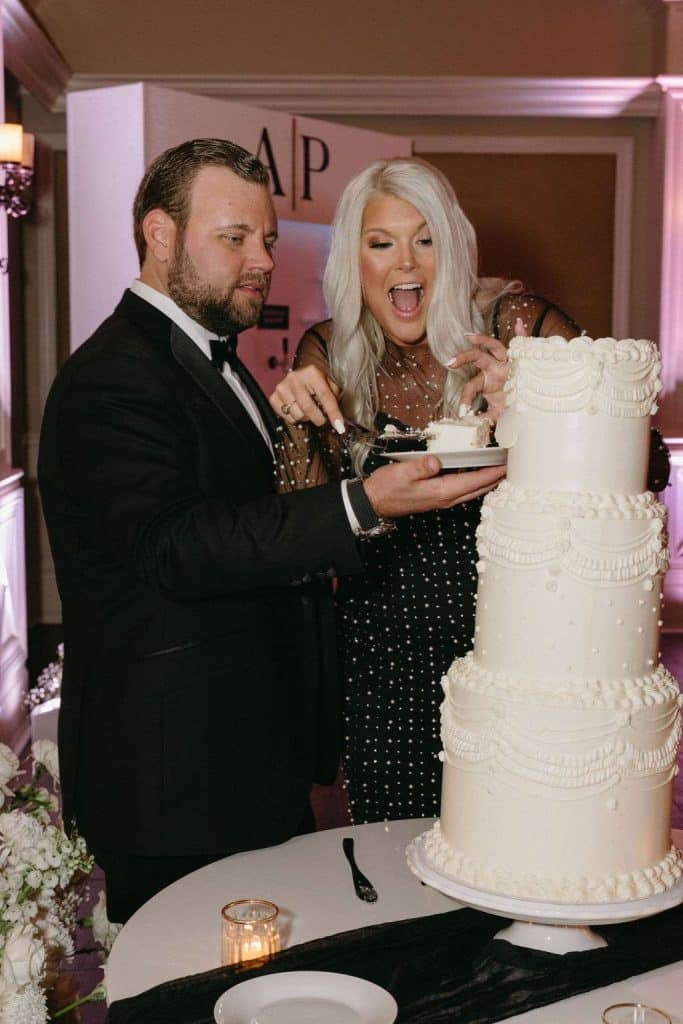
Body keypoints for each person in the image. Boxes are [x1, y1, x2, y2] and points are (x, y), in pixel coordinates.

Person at [37, 141, 506, 922]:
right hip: (173, 783)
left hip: (240, 766)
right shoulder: (114, 375)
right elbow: (174, 549)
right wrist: (362, 504)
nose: (261, 260)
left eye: (266, 240)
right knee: (185, 980)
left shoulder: (207, 361)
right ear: (160, 234)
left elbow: (261, 521)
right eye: (234, 238)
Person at [270, 157, 585, 825]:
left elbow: (645, 465)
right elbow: (302, 538)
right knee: (396, 853)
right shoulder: (328, 352)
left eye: (425, 239)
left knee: (518, 842)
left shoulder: (516, 325)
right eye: (381, 243)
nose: (406, 262)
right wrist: (292, 419)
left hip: (516, 649)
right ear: (353, 260)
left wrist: (534, 406)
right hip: (381, 663)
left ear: (453, 249)